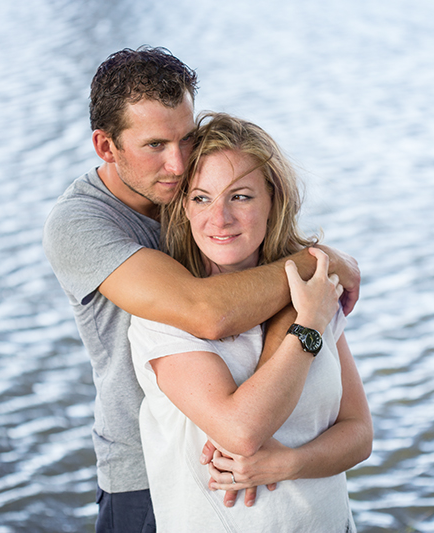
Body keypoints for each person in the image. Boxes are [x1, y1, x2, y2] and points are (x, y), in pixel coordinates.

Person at [42, 47, 361, 532]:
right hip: (145, 471)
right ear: (106, 147)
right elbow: (207, 311)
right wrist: (321, 262)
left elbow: (354, 429)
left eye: (187, 138)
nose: (177, 163)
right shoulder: (81, 224)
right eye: (154, 145)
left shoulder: (202, 201)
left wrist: (280, 453)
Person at [128, 112, 372, 532]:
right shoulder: (165, 314)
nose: (218, 218)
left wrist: (289, 463)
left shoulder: (313, 288)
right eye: (202, 197)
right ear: (184, 206)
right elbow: (241, 431)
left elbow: (359, 434)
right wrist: (309, 326)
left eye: (239, 196)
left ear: (273, 200)